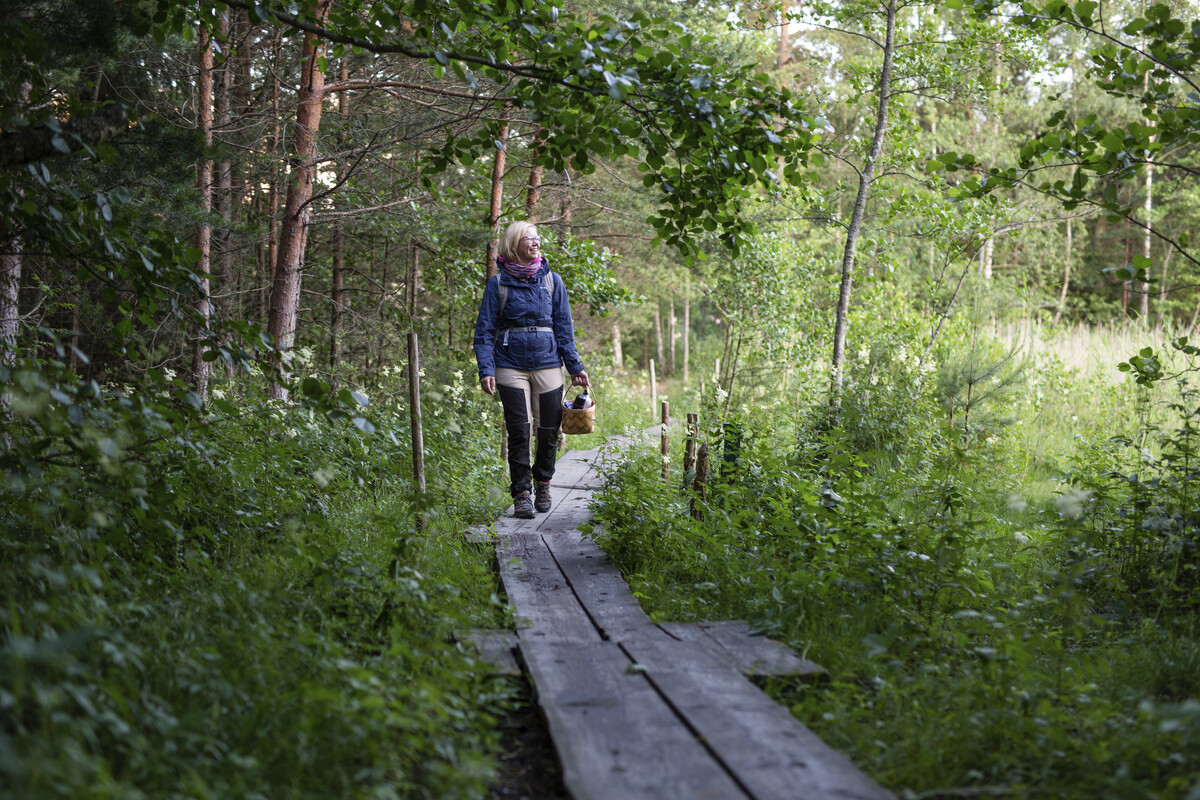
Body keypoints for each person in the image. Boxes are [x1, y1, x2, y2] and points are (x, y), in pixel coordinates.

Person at [474, 221, 589, 519]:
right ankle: (522, 492)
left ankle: (544, 483)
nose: (536, 242)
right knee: (519, 429)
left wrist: (575, 366)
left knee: (548, 429)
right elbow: (485, 331)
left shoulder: (552, 281)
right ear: (514, 245)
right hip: (509, 365)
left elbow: (564, 328)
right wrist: (486, 369)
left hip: (548, 362)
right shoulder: (497, 285)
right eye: (530, 238)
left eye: (538, 238)